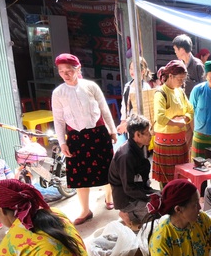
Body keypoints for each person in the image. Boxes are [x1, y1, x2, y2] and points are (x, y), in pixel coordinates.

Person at [52, 53, 117, 226]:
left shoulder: (90, 86)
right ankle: (85, 210)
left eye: (69, 70)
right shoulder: (58, 93)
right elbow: (58, 120)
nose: (66, 74)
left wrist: (112, 130)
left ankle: (109, 197)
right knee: (80, 175)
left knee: (106, 169)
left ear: (78, 69)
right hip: (76, 138)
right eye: (61, 71)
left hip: (98, 134)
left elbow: (104, 109)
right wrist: (62, 142)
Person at [108, 114, 154, 230]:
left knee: (161, 198)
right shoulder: (126, 156)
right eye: (147, 132)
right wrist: (148, 198)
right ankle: (127, 213)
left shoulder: (138, 147)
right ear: (137, 135)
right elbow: (128, 188)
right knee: (153, 215)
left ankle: (134, 213)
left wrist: (153, 193)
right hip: (125, 197)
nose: (150, 135)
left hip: (136, 189)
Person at [152, 60, 194, 186]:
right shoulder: (161, 93)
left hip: (180, 141)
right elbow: (160, 117)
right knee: (166, 180)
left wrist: (184, 119)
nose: (182, 82)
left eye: (183, 79)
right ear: (170, 76)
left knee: (181, 177)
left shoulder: (180, 91)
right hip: (164, 143)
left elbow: (190, 110)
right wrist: (176, 123)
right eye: (180, 79)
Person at [117, 58, 155, 139]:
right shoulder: (128, 85)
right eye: (131, 69)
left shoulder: (145, 87)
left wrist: (127, 122)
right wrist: (123, 120)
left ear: (143, 71)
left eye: (135, 69)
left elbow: (143, 108)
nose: (132, 71)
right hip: (129, 119)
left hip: (139, 121)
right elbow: (124, 104)